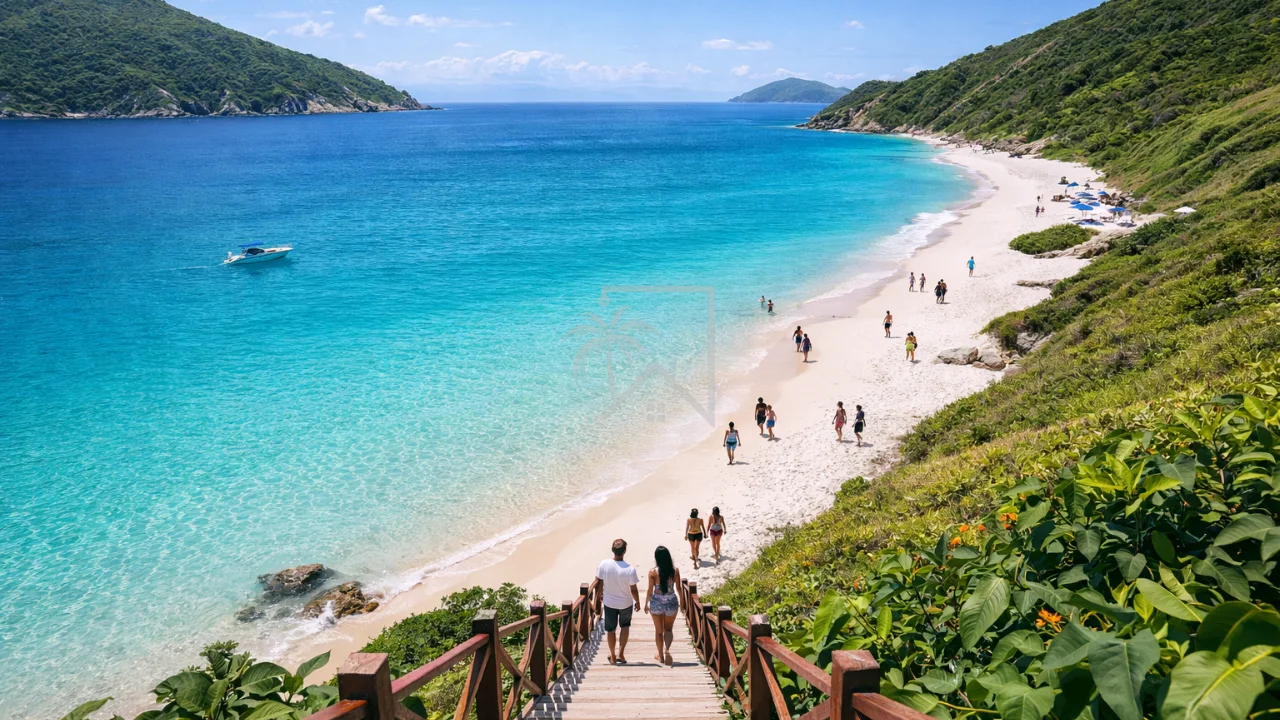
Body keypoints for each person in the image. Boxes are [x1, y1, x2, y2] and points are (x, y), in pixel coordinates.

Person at [596, 538, 641, 665]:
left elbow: (599, 581)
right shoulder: (630, 569)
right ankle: (621, 653)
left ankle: (612, 655)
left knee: (610, 630)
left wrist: (599, 595)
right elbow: (633, 589)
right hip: (626, 603)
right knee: (625, 627)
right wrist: (637, 601)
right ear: (625, 551)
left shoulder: (604, 564)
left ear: (612, 550)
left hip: (609, 603)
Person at [644, 546, 683, 666]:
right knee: (669, 629)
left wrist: (646, 603)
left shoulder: (653, 572)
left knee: (659, 631)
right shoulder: (675, 571)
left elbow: (650, 591)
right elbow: (678, 588)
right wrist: (683, 602)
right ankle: (667, 650)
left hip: (657, 603)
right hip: (671, 602)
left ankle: (660, 656)